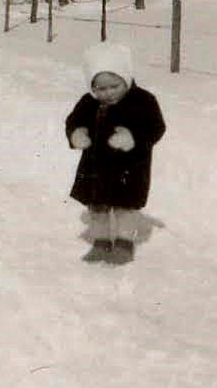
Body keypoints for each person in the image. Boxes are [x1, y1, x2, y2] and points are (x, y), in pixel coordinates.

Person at [65, 42, 166, 264]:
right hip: (95, 165)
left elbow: (156, 127)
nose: (107, 93)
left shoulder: (143, 101)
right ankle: (100, 242)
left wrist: (134, 138)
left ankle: (123, 244)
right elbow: (74, 120)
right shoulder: (88, 102)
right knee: (97, 206)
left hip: (129, 167)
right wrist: (77, 133)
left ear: (125, 79)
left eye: (114, 86)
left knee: (125, 206)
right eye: (100, 89)